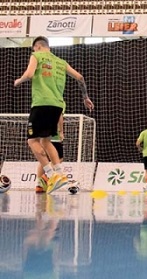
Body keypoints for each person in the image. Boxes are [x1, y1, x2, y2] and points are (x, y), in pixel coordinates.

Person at [14, 36, 94, 194]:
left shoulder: (36, 56)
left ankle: (50, 174)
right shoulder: (61, 62)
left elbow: (29, 74)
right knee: (46, 141)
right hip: (57, 106)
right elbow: (80, 77)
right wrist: (85, 97)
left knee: (32, 141)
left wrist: (18, 81)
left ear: (37, 47)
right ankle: (59, 174)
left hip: (41, 103)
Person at [35, 113, 63, 194]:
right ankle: (46, 177)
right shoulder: (58, 102)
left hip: (42, 132)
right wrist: (61, 131)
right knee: (59, 158)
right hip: (53, 135)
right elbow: (59, 116)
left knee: (44, 160)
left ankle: (39, 184)